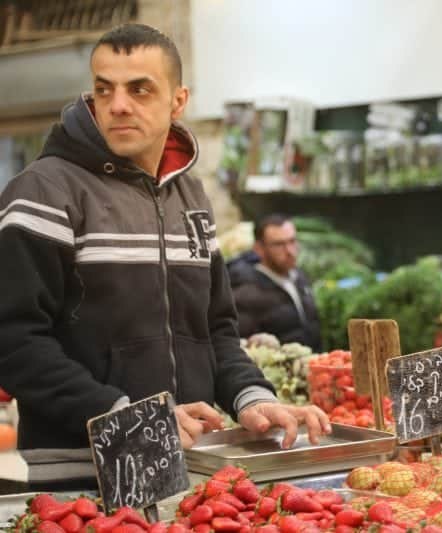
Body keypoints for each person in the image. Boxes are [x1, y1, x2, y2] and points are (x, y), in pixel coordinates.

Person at [0, 24, 329, 486]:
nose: (117, 104)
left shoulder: (191, 196)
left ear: (178, 101)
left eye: (139, 89)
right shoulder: (44, 191)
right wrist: (121, 413)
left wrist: (251, 397)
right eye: (103, 89)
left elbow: (215, 331)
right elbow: (14, 340)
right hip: (84, 478)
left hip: (189, 465)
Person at [229, 215, 322, 351]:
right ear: (259, 249)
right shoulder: (245, 292)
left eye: (292, 241)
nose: (290, 251)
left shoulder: (299, 277)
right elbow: (241, 348)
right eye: (279, 244)